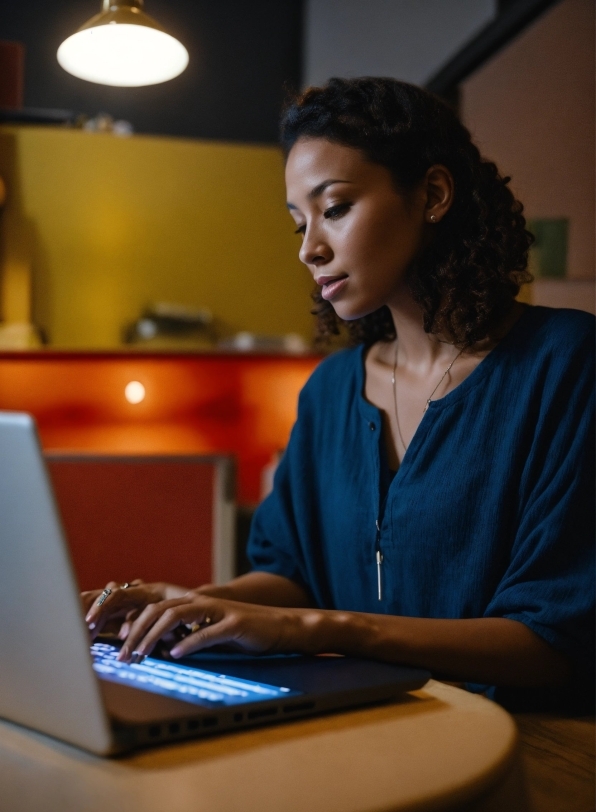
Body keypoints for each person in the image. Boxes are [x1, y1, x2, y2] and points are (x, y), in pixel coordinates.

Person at [83, 78, 594, 711]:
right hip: (370, 726)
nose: (309, 248)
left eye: (336, 208)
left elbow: (551, 643)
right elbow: (292, 576)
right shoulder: (330, 392)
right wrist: (192, 604)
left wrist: (322, 629)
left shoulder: (565, 364)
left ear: (432, 194)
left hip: (534, 744)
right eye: (300, 222)